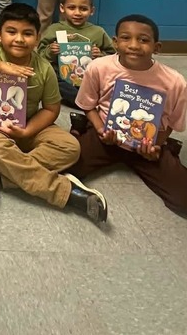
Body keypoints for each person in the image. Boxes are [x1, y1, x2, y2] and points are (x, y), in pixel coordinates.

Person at [0, 3, 108, 222]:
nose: (18, 39)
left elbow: (52, 109)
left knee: (70, 147)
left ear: (37, 38)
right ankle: (67, 192)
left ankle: (1, 175)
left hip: (30, 123)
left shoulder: (43, 68)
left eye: (27, 34)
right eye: (11, 32)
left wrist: (26, 132)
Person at [70, 14, 187, 216]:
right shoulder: (99, 67)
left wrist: (157, 144)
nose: (134, 45)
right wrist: (100, 129)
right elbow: (88, 105)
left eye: (143, 40)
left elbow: (171, 123)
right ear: (115, 42)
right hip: (105, 136)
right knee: (63, 166)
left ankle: (169, 149)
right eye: (126, 38)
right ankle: (84, 129)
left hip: (147, 145)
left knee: (183, 200)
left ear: (157, 47)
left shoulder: (175, 82)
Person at [38, 0, 115, 106]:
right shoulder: (54, 29)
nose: (77, 13)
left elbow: (114, 56)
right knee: (52, 81)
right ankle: (85, 102)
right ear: (62, 8)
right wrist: (51, 51)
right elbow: (39, 56)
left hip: (89, 76)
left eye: (83, 9)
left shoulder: (98, 32)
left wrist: (100, 55)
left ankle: (88, 98)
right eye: (72, 7)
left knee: (108, 82)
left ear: (92, 10)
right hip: (62, 77)